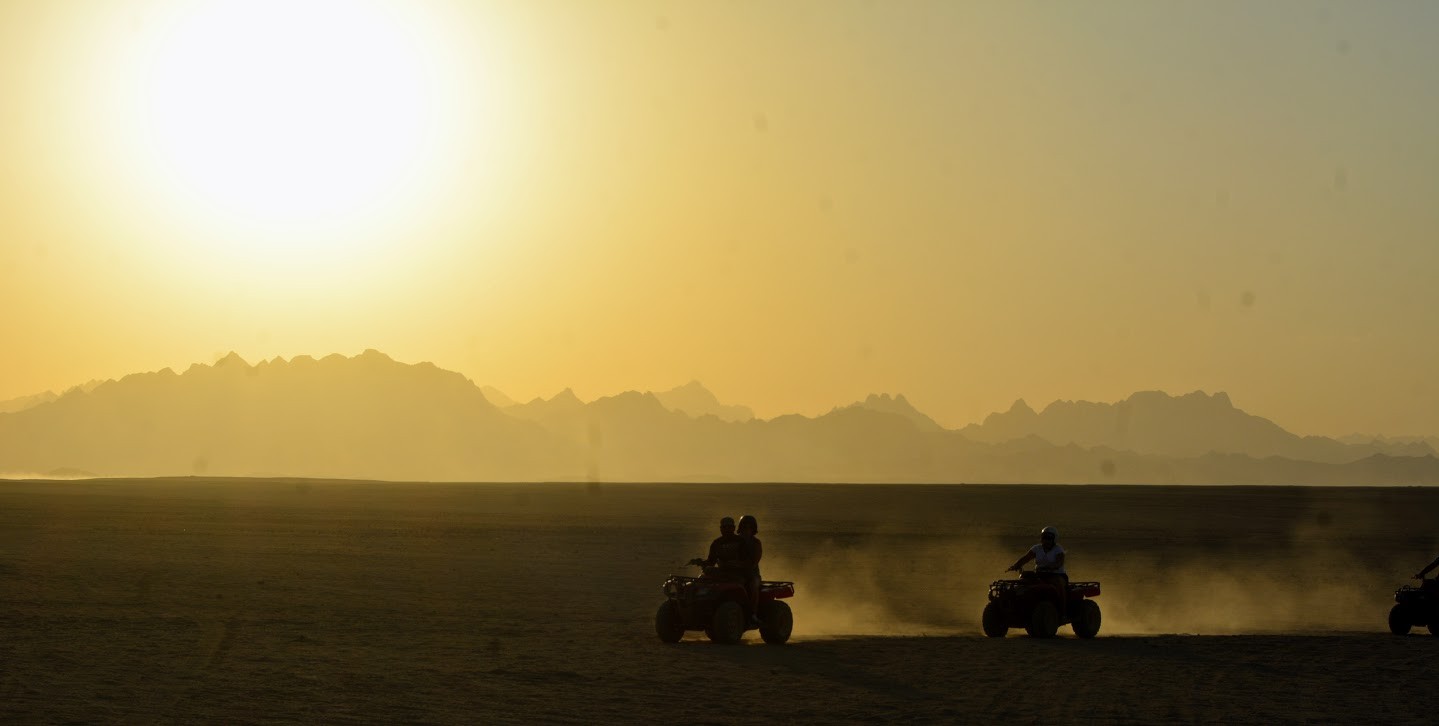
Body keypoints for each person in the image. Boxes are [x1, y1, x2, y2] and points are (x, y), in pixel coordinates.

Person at [1007, 526, 1068, 615]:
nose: (1046, 540)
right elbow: (1026, 558)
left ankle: (1062, 610)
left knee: (1058, 584)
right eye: (1044, 537)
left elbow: (1059, 563)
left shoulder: (1058, 549)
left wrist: (1051, 567)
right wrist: (1016, 565)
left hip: (1056, 575)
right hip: (1039, 574)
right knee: (1024, 578)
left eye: (1049, 538)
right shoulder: (1037, 548)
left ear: (1054, 539)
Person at [737, 514, 763, 626]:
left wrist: (739, 565)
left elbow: (754, 562)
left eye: (749, 528)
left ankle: (752, 614)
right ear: (740, 528)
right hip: (733, 573)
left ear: (753, 530)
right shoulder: (735, 541)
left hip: (752, 574)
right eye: (744, 527)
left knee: (753, 586)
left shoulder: (756, 543)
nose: (746, 530)